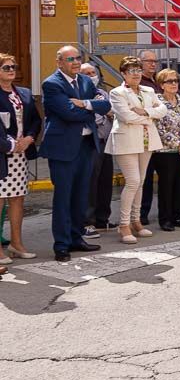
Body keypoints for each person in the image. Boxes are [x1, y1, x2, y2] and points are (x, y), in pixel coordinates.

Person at [41, 45, 108, 262]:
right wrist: (90, 109)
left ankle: (76, 238)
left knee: (81, 196)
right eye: (70, 59)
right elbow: (68, 113)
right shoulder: (52, 84)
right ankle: (61, 245)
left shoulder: (86, 81)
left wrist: (85, 104)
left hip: (86, 146)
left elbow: (106, 104)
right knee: (64, 198)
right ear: (59, 62)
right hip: (63, 149)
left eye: (78, 58)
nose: (76, 62)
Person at [106, 56, 167, 244]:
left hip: (146, 140)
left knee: (140, 182)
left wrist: (146, 112)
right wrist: (150, 117)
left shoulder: (149, 90)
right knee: (133, 181)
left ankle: (136, 220)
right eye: (131, 71)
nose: (136, 74)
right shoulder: (117, 93)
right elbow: (126, 117)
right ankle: (123, 224)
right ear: (123, 74)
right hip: (126, 140)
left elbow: (163, 109)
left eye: (138, 70)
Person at [0, 53, 40, 260]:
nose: (11, 70)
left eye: (13, 66)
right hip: (2, 153)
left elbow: (35, 120)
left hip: (20, 154)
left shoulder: (23, 93)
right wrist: (12, 144)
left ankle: (16, 243)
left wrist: (29, 138)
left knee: (17, 199)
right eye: (6, 67)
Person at [152, 68, 180, 231]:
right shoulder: (156, 102)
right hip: (165, 152)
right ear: (161, 84)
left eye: (176, 80)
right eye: (170, 81)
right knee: (166, 185)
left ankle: (178, 216)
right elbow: (159, 127)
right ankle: (165, 219)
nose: (174, 84)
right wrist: (178, 144)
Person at [79, 63, 114, 234]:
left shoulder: (103, 93)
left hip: (106, 141)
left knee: (105, 181)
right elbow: (90, 116)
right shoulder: (80, 93)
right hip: (91, 142)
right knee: (90, 182)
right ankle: (87, 221)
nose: (92, 75)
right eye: (87, 73)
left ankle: (103, 218)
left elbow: (111, 113)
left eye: (94, 72)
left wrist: (109, 113)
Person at [137, 49, 160, 224]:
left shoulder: (159, 81)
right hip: (145, 138)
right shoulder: (138, 84)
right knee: (144, 179)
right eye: (148, 61)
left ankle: (165, 214)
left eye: (155, 61)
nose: (152, 64)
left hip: (163, 138)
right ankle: (141, 215)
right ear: (140, 62)